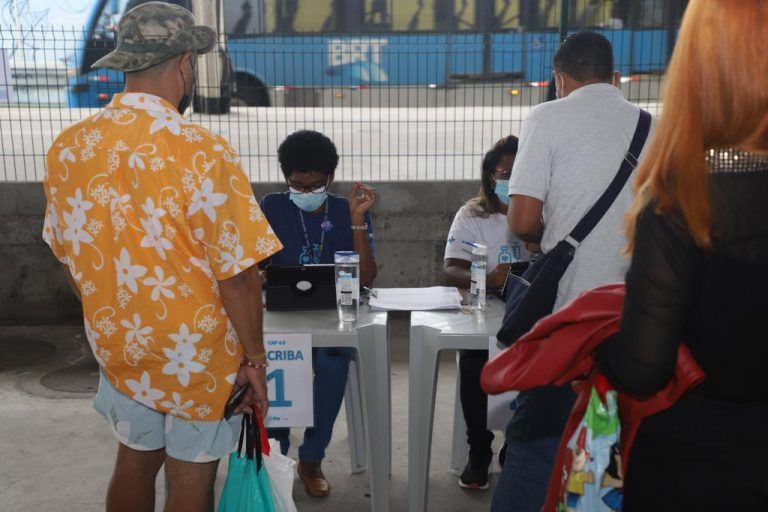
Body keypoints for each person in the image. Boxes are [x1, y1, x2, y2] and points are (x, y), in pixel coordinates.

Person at [41, 3, 283, 511]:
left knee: (132, 460)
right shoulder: (201, 150)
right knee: (191, 480)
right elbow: (237, 274)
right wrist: (255, 359)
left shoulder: (69, 148)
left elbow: (69, 256)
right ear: (184, 64)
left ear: (126, 63)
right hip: (198, 354)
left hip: (119, 345)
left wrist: (110, 316)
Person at [595, 1, 768, 509]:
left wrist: (598, 349)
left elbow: (643, 367)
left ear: (698, 69)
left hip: (699, 468)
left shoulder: (680, 206)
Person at [493, 31, 654, 511]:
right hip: (639, 319)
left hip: (569, 317)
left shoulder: (546, 117)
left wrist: (555, 236)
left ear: (559, 80)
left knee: (536, 444)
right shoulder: (656, 127)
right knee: (611, 447)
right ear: (617, 77)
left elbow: (522, 221)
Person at [259, 130, 377, 498]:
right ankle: (275, 454)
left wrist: (358, 221)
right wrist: (264, 274)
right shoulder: (272, 206)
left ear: (330, 178)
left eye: (315, 185)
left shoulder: (345, 209)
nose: (306, 193)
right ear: (285, 178)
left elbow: (367, 277)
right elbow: (255, 267)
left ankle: (311, 458)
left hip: (332, 316)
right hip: (282, 317)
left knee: (331, 364)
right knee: (278, 359)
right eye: (297, 185)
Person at [443, 135, 530, 489]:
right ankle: (479, 451)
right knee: (476, 362)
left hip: (529, 313)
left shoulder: (548, 210)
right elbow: (451, 269)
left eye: (519, 172)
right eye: (504, 172)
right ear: (491, 175)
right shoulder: (473, 213)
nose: (511, 179)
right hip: (486, 307)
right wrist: (485, 277)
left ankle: (515, 447)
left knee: (540, 360)